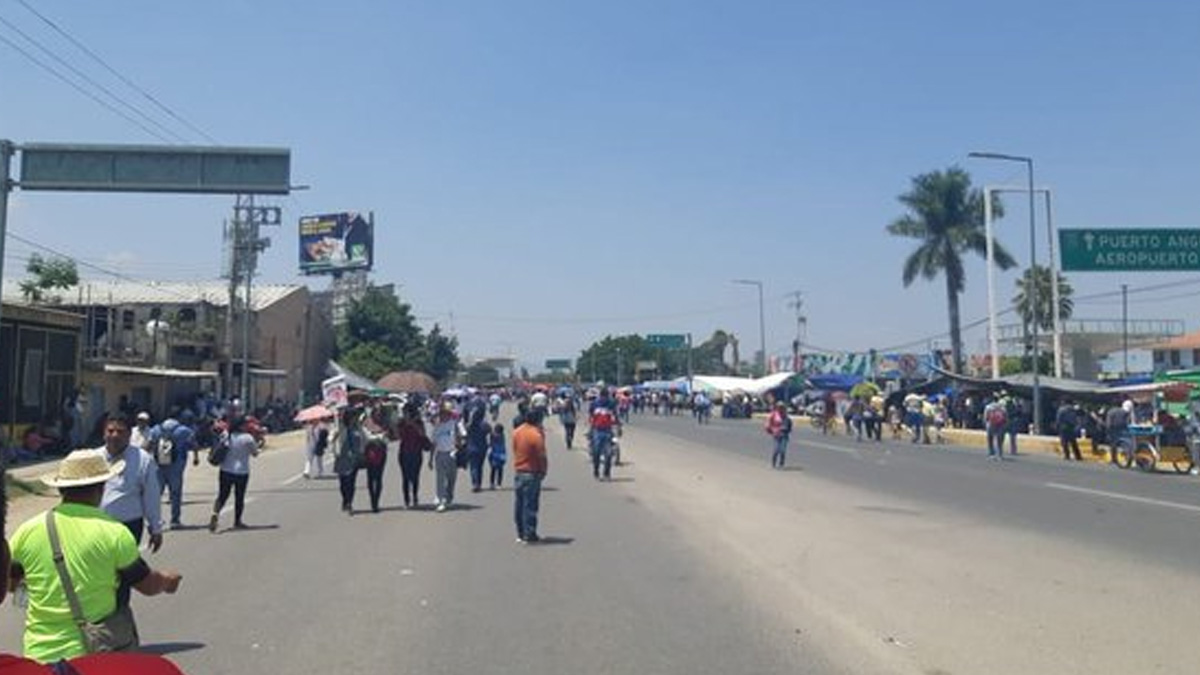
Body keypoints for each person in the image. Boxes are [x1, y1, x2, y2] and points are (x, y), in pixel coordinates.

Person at [6, 450, 183, 664]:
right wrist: (168, 581)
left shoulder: (27, 531)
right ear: (102, 488)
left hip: (39, 657)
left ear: (61, 488)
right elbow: (147, 585)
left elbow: (11, 584)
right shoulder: (113, 533)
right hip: (94, 656)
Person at [207, 417, 259, 531]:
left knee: (222, 495)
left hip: (225, 469)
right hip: (242, 471)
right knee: (239, 497)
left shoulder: (226, 435)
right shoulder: (247, 438)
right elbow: (255, 453)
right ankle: (237, 521)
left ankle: (215, 513)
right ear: (241, 426)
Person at [149, 415, 193, 530]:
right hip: (176, 467)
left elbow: (150, 444)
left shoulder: (156, 429)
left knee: (156, 494)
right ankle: (175, 520)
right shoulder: (183, 430)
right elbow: (193, 442)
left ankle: (154, 520)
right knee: (175, 494)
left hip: (158, 466)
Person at [512, 409, 548, 544]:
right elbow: (541, 455)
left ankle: (520, 532)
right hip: (532, 472)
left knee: (519, 503)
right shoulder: (536, 435)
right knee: (530, 504)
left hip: (519, 470)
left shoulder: (517, 432)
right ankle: (530, 533)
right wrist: (543, 470)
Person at [395, 402, 432, 508]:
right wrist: (401, 425)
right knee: (405, 477)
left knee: (415, 477)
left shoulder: (418, 422)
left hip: (416, 453)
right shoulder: (401, 422)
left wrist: (413, 424)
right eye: (404, 411)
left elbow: (423, 434)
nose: (404, 413)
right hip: (404, 453)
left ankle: (415, 496)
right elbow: (398, 436)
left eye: (406, 411)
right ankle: (406, 500)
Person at [430, 401, 464, 512]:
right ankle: (441, 500)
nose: (443, 415)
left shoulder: (455, 424)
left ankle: (449, 495)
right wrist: (430, 459)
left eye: (446, 413)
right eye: (442, 413)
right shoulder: (437, 426)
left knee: (451, 479)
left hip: (452, 453)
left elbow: (463, 437)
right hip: (440, 454)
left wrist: (459, 443)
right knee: (440, 479)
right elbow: (433, 443)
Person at [332, 409, 365, 515]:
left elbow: (362, 440)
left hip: (353, 459)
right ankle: (345, 500)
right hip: (342, 458)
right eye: (353, 417)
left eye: (355, 417)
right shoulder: (340, 428)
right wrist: (333, 441)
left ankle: (349, 502)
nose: (354, 419)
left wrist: (361, 452)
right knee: (343, 483)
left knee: (351, 482)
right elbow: (331, 439)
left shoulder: (357, 428)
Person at [588, 389, 620, 481]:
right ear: (601, 396)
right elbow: (590, 416)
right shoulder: (594, 404)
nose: (604, 399)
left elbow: (615, 415)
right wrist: (591, 426)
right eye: (603, 397)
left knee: (609, 454)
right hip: (597, 430)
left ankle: (606, 473)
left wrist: (618, 426)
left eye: (606, 397)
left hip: (607, 431)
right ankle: (596, 471)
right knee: (596, 452)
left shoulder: (611, 404)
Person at [463, 395, 490, 493]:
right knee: (480, 466)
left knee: (473, 466)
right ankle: (478, 483)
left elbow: (464, 434)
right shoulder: (484, 424)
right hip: (482, 447)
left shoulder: (468, 426)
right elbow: (489, 431)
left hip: (471, 447)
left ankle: (475, 483)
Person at [765, 402, 793, 468]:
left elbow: (790, 426)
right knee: (776, 450)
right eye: (779, 407)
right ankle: (773, 464)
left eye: (782, 407)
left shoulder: (786, 416)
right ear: (777, 408)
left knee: (783, 451)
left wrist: (786, 429)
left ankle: (781, 464)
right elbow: (768, 424)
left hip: (784, 435)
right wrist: (771, 430)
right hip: (776, 435)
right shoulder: (774, 415)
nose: (781, 408)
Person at [1105, 400, 1131, 465]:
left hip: (1113, 430)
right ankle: (1126, 457)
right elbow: (1127, 421)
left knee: (1113, 445)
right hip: (1123, 429)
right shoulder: (1123, 412)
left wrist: (1107, 431)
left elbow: (1108, 423)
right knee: (1124, 443)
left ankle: (1114, 459)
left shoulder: (1111, 412)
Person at [983, 396, 1007, 461]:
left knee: (990, 440)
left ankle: (991, 454)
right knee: (1000, 441)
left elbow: (985, 417)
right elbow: (1005, 417)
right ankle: (1000, 455)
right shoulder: (1002, 407)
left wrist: (985, 424)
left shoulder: (988, 406)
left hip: (990, 425)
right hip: (1000, 425)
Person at [488, 423, 508, 489]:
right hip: (499, 455)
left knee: (494, 470)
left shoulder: (493, 436)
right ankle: (497, 483)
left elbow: (490, 446)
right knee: (498, 470)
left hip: (495, 454)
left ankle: (493, 483)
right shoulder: (501, 436)